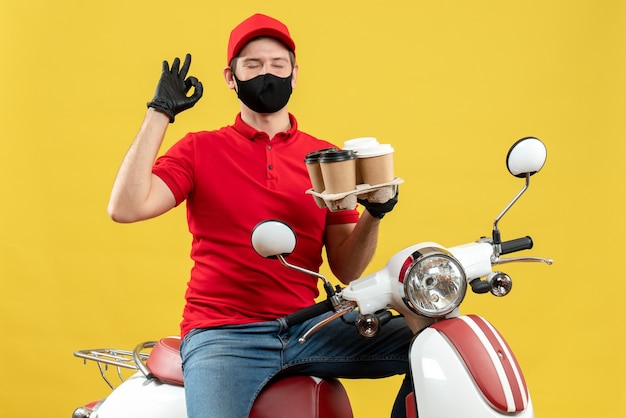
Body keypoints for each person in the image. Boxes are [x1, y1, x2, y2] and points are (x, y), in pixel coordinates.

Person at [108, 13, 418, 418]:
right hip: (222, 335)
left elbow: (346, 267)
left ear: (294, 73)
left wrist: (374, 214)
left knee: (433, 342)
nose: (266, 74)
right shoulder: (199, 149)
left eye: (277, 64)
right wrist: (159, 112)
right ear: (230, 77)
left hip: (311, 328)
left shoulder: (324, 158)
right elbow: (125, 207)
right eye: (252, 65)